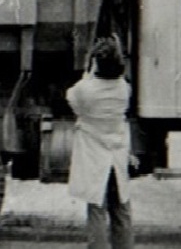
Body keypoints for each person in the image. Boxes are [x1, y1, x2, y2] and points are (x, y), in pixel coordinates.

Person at [67, 37, 134, 249]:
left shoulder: (85, 90)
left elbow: (72, 98)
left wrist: (87, 75)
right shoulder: (124, 89)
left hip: (95, 160)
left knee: (97, 211)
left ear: (96, 63)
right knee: (121, 210)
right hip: (117, 158)